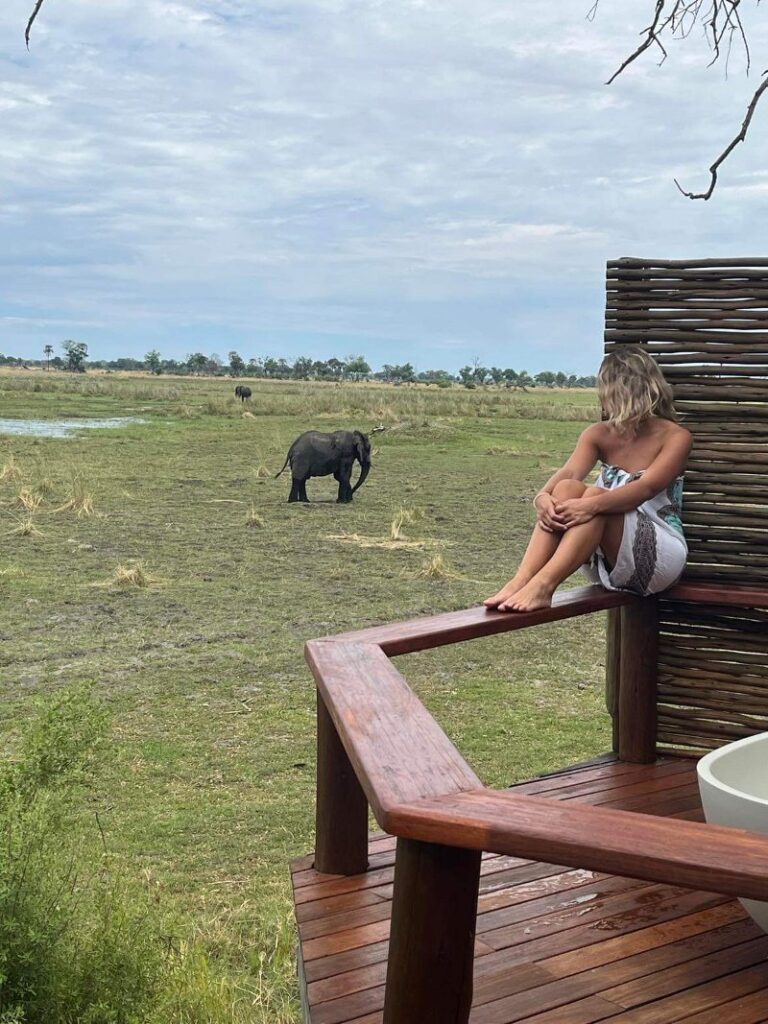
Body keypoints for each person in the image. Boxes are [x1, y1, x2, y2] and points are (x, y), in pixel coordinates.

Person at [485, 345, 692, 613]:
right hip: (604, 556)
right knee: (567, 488)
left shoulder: (675, 437)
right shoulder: (598, 434)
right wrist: (542, 499)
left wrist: (591, 505)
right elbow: (569, 474)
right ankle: (521, 580)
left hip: (659, 558)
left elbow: (646, 488)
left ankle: (544, 586)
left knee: (596, 496)